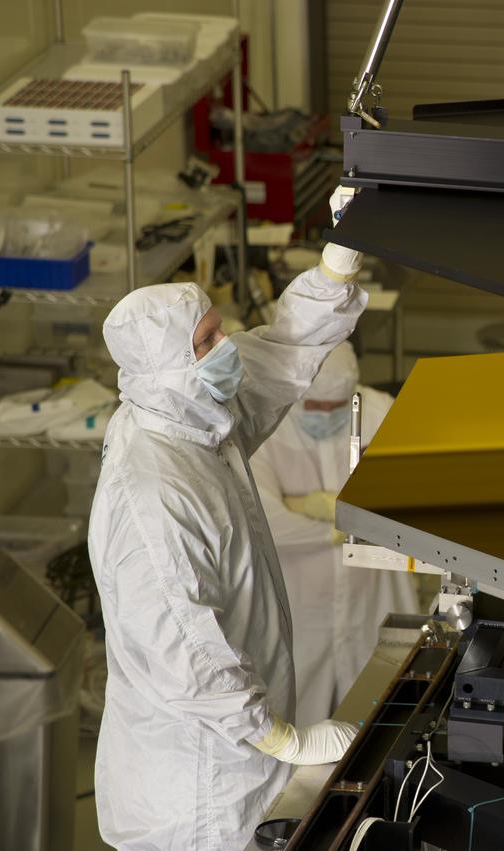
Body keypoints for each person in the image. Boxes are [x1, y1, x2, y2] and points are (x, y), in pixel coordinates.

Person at [88, 189, 369, 850]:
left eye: (218, 328)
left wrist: (339, 263)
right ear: (166, 370)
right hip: (193, 791)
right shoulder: (153, 493)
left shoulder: (190, 412)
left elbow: (279, 351)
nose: (226, 346)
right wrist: (284, 737)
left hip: (236, 759)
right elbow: (186, 652)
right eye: (209, 339)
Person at [250, 342, 421, 726]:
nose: (326, 415)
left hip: (371, 594)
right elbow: (265, 523)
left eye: (336, 407)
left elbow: (407, 501)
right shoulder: (265, 427)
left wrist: (307, 507)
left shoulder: (380, 413)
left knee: (380, 703)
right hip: (299, 603)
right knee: (293, 710)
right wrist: (346, 526)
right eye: (316, 408)